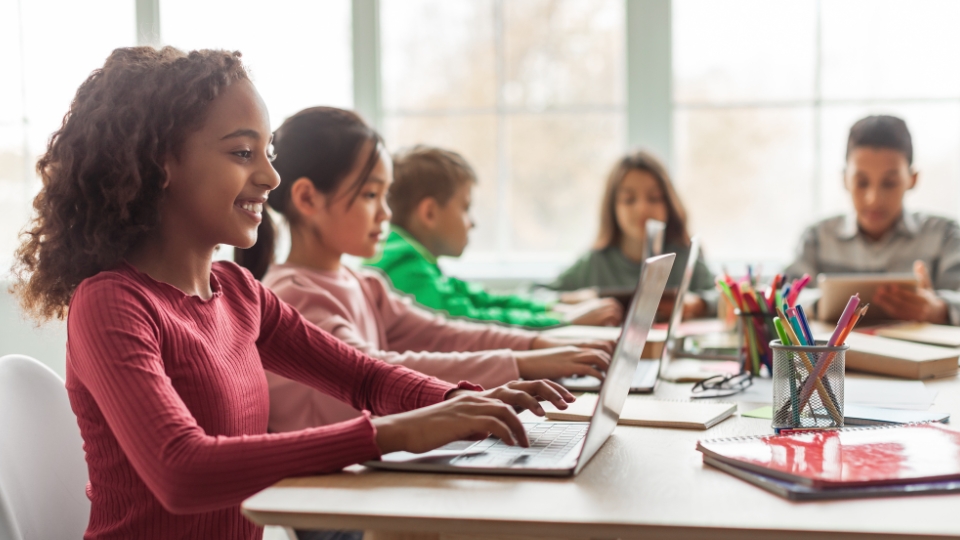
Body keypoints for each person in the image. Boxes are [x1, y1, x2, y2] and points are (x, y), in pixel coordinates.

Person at [12, 46, 573, 540]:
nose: (270, 178)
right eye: (241, 153)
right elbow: (181, 471)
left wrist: (456, 401)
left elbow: (364, 377)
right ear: (162, 164)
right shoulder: (111, 303)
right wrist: (391, 433)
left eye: (269, 155)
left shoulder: (238, 293)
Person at [234, 107, 612, 431]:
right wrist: (523, 362)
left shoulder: (364, 284)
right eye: (370, 195)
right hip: (331, 497)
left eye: (385, 196)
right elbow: (375, 369)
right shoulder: (295, 294)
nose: (385, 213)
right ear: (307, 198)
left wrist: (541, 345)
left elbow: (446, 335)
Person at [784, 115, 960, 325]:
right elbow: (783, 298)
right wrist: (818, 306)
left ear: (912, 179)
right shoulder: (817, 236)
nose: (874, 199)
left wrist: (939, 309)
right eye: (862, 182)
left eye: (889, 183)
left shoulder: (945, 235)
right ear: (845, 179)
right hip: (834, 358)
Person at [547, 150, 716, 321]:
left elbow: (723, 297)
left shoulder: (683, 256)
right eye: (628, 199)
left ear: (668, 203)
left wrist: (698, 304)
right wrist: (577, 302)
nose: (642, 209)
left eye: (654, 198)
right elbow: (534, 296)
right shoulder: (595, 262)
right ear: (613, 208)